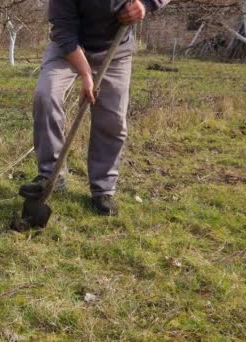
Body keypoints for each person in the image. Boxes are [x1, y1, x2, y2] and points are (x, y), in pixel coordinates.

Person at [19, 0, 171, 216]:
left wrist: (145, 5)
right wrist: (86, 74)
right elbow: (63, 33)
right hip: (68, 48)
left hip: (115, 50)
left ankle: (103, 190)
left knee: (112, 120)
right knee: (46, 94)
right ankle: (50, 176)